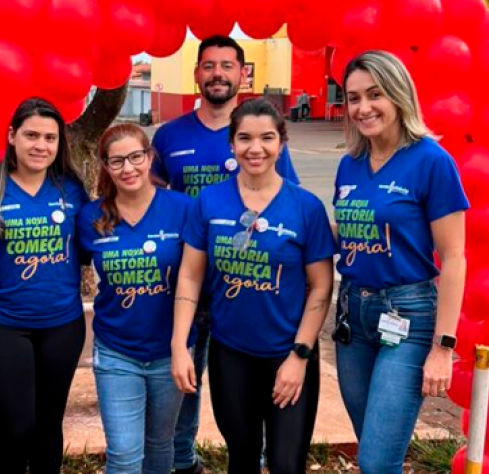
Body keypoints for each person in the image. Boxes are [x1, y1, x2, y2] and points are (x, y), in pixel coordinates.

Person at [150, 35, 301, 474]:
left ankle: (256, 457)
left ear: (242, 74)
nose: (218, 74)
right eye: (209, 65)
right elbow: (151, 201)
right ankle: (183, 461)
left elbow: (289, 202)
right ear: (197, 73)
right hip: (189, 282)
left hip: (247, 285)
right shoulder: (169, 136)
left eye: (227, 65)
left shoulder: (259, 133)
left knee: (250, 380)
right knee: (184, 380)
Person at [171, 98, 335, 474]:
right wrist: (179, 345)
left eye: (267, 138)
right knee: (242, 457)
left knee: (286, 464)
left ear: (282, 143)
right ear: (232, 143)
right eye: (245, 138)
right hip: (231, 354)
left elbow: (321, 287)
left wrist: (299, 355)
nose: (255, 148)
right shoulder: (209, 201)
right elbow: (190, 276)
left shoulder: (306, 207)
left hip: (288, 354)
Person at [332, 51, 468, 474]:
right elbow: (350, 234)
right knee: (372, 448)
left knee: (376, 461)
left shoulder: (431, 161)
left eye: (375, 94)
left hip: (407, 315)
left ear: (398, 94)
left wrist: (443, 348)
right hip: (352, 316)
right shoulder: (349, 165)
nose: (363, 108)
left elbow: (454, 258)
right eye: (354, 98)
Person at [0, 98, 88, 474]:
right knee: (16, 429)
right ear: (12, 136)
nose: (40, 145)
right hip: (0, 325)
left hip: (62, 324)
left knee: (48, 427)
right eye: (31, 135)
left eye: (50, 138)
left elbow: (90, 245)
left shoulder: (71, 190)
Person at [76, 124, 194, 474]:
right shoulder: (91, 217)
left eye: (135, 157)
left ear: (150, 157)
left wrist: (181, 348)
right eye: (117, 161)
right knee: (125, 454)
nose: (128, 168)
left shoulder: (183, 208)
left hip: (170, 350)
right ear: (105, 166)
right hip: (117, 350)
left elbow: (196, 278)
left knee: (160, 444)